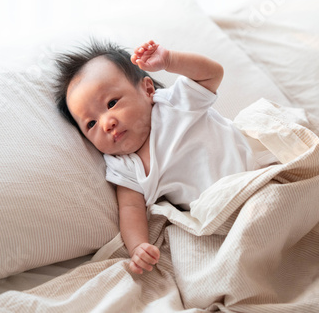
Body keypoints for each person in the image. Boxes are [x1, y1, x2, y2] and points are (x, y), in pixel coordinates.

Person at [54, 39, 276, 275]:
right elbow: (130, 208)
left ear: (148, 90)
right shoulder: (124, 165)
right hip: (224, 212)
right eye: (91, 123)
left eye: (112, 103)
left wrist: (170, 60)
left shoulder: (174, 104)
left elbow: (213, 74)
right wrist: (138, 246)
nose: (107, 123)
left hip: (259, 175)